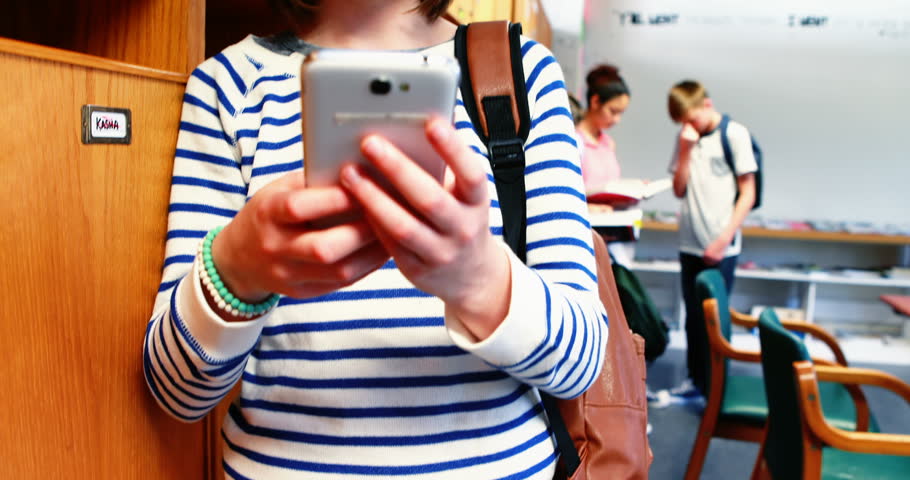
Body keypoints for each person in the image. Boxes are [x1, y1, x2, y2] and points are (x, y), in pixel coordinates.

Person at [142, 1, 608, 478]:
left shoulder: (520, 75)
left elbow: (582, 363)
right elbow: (176, 391)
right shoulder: (228, 87)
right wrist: (236, 267)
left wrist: (479, 280)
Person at [666, 80, 757, 400]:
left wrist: (724, 239)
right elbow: (679, 189)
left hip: (721, 245)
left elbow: (748, 191)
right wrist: (686, 149)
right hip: (689, 243)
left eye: (692, 119)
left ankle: (716, 389)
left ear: (707, 104)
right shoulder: (686, 139)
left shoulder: (735, 135)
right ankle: (695, 382)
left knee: (714, 320)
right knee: (692, 317)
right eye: (683, 123)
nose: (689, 126)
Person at [575, 64, 630, 201]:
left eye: (621, 113)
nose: (617, 120)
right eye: (613, 111)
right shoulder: (575, 140)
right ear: (595, 102)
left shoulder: (608, 143)